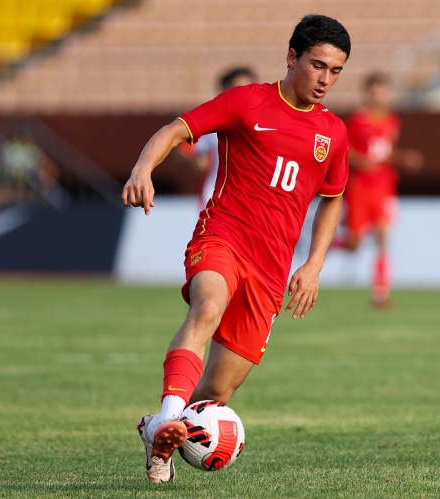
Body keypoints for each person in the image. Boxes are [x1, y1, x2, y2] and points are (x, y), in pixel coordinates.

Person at [121, 14, 351, 483]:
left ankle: (160, 428)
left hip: (271, 269)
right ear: (292, 57)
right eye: (317, 65)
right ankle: (167, 426)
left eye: (335, 71)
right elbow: (176, 130)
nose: (325, 79)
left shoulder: (334, 132)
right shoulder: (247, 102)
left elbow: (333, 198)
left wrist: (314, 265)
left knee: (217, 393)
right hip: (222, 236)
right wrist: (142, 168)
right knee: (207, 308)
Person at [338, 71, 423, 308]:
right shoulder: (358, 121)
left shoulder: (392, 121)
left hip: (384, 186)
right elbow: (344, 150)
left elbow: (386, 152)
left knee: (384, 237)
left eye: (383, 91)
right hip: (359, 188)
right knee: (355, 245)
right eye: (375, 92)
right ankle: (329, 244)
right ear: (367, 94)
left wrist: (403, 158)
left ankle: (380, 293)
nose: (379, 96)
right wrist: (360, 161)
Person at [179, 67, 258, 205]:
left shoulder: (267, 123)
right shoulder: (213, 124)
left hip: (254, 202)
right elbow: (183, 151)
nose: (245, 95)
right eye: (238, 90)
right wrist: (195, 160)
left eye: (250, 88)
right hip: (217, 201)